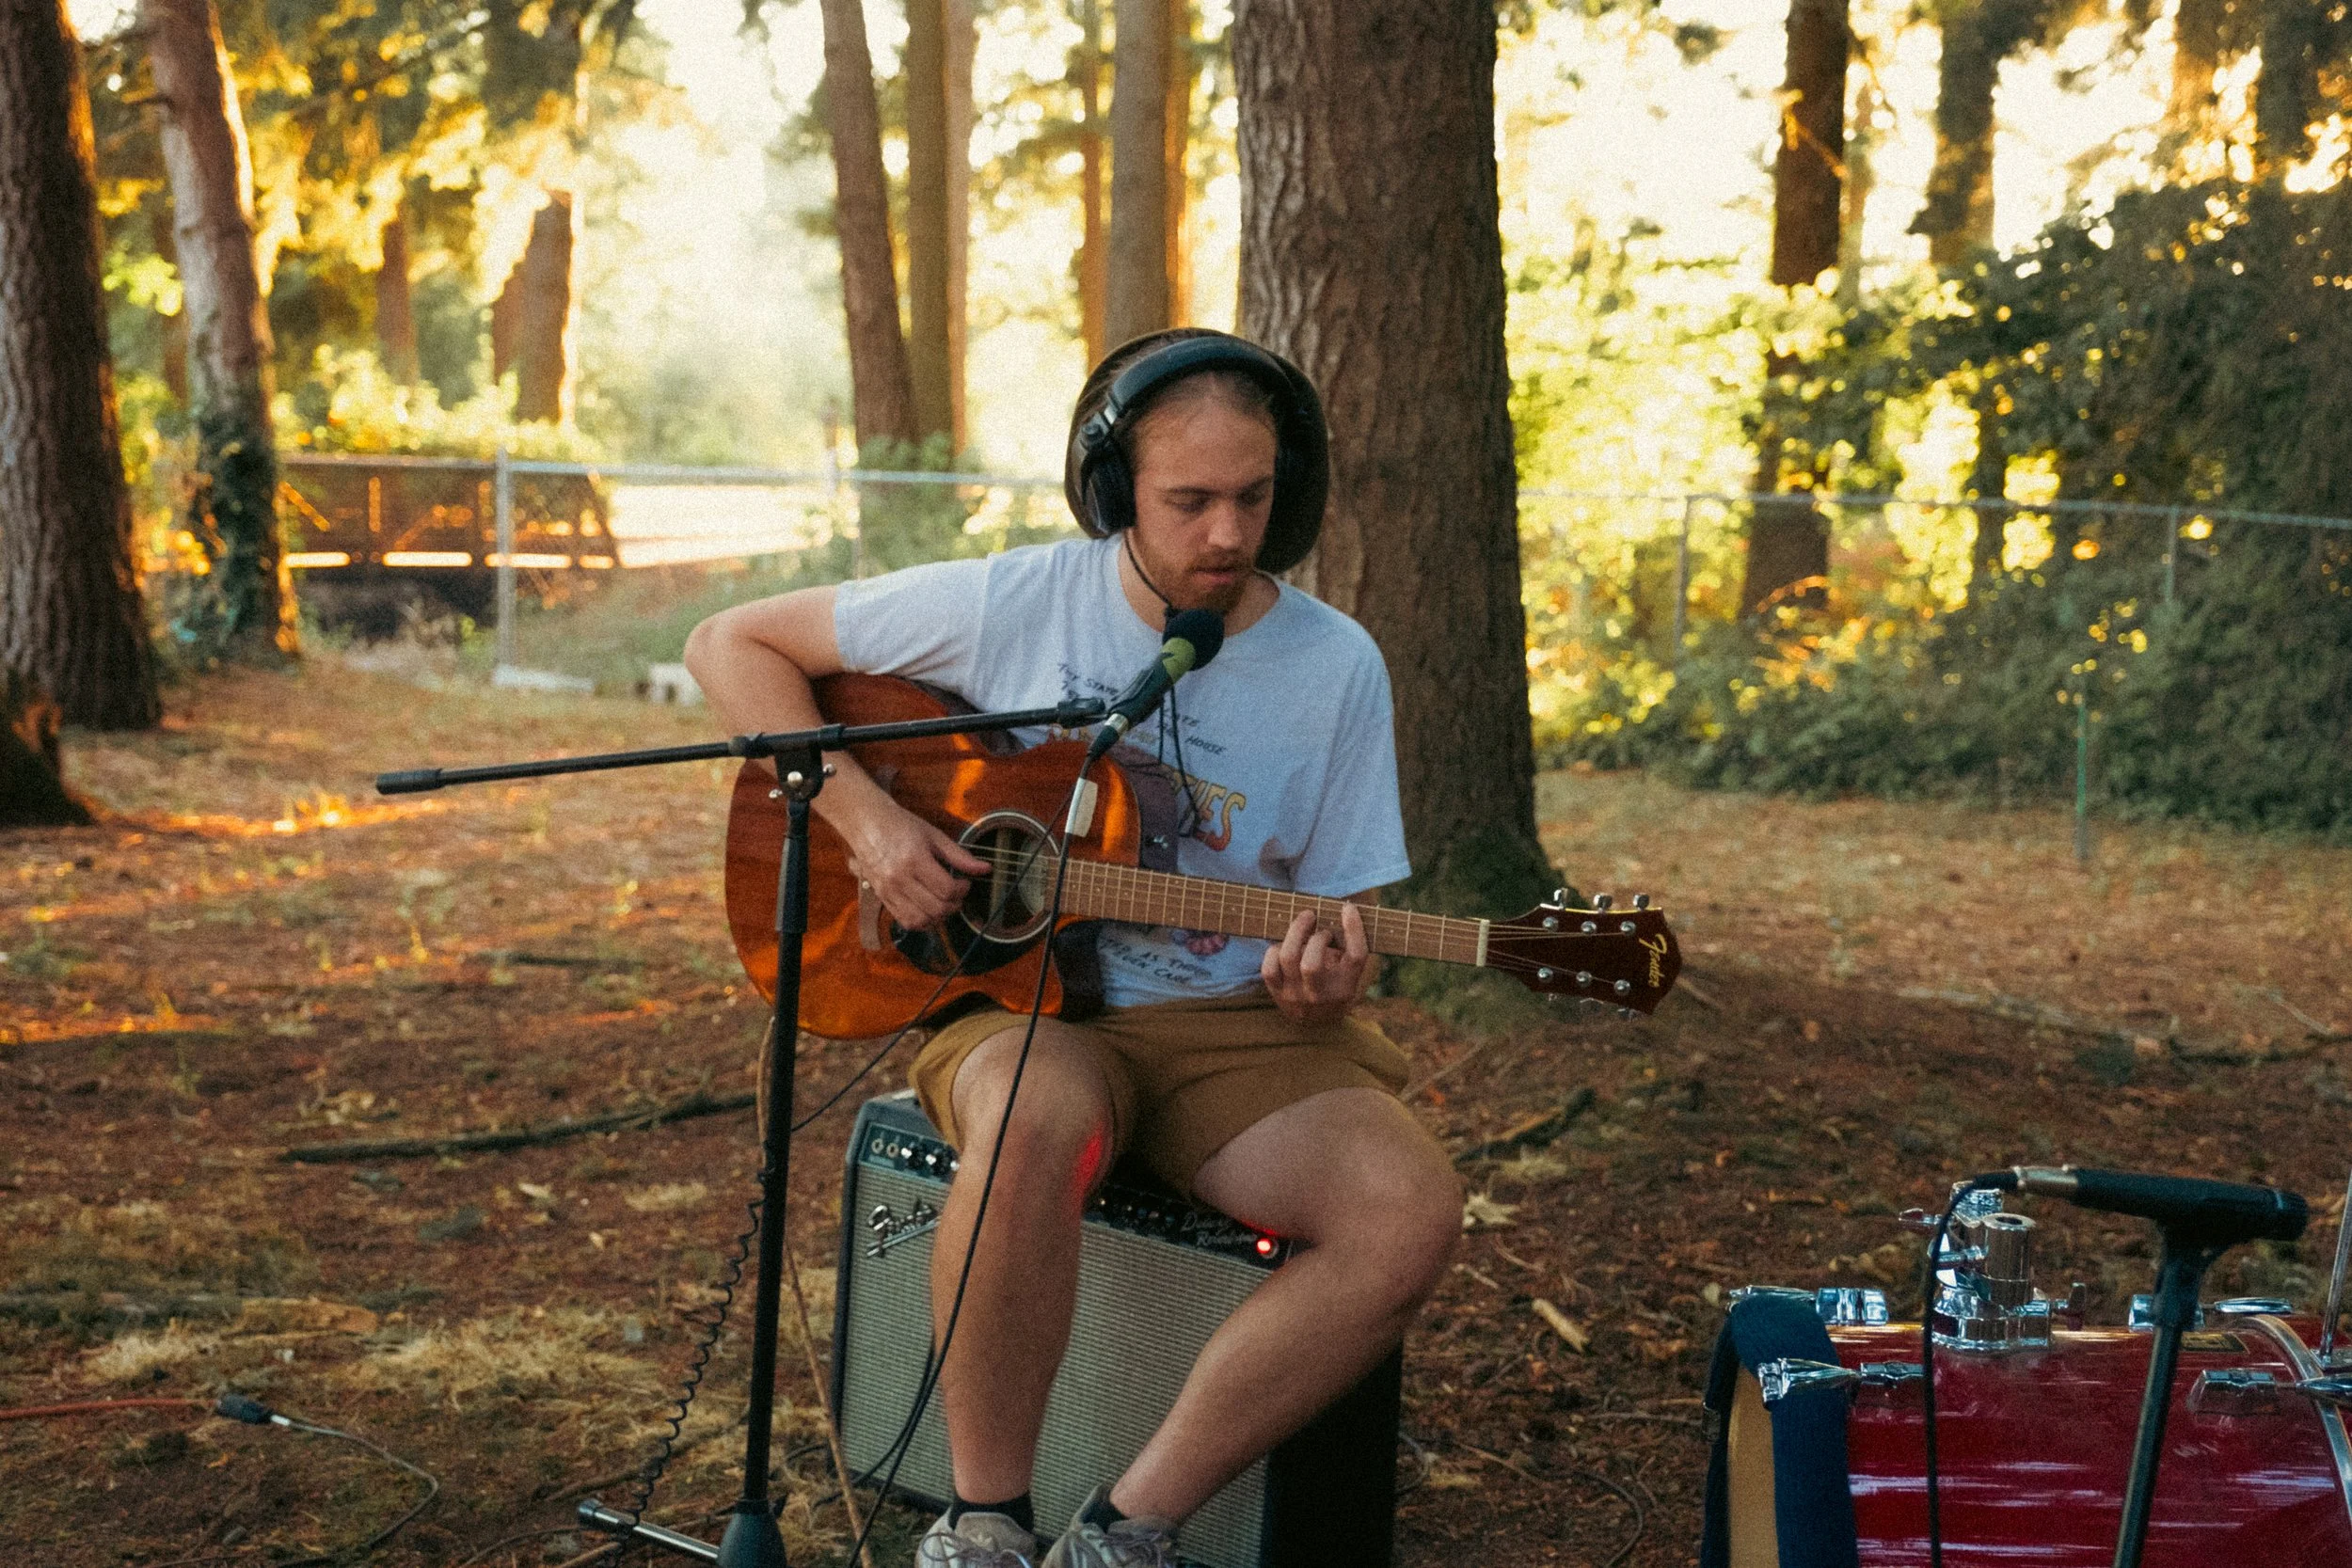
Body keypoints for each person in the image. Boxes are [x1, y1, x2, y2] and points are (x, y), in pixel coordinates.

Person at [683, 329, 1461, 1568]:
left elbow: (1334, 919)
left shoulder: (1336, 668)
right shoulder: (1015, 602)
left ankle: (1127, 1528)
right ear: (1115, 493)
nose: (1225, 533)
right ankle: (985, 1520)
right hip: (1021, 1005)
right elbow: (730, 646)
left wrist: (1326, 977)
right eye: (1188, 500)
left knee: (1407, 1209)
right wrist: (873, 824)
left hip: (1231, 1027)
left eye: (1253, 498)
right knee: (1035, 1121)